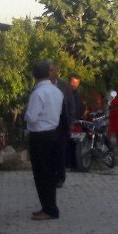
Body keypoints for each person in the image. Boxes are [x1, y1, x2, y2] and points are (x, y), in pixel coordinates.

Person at [25, 60, 64, 220]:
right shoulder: (57, 91)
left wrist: (25, 114)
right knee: (49, 173)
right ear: (48, 73)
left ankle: (49, 209)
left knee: (41, 174)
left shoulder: (38, 93)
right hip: (53, 133)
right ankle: (49, 206)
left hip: (40, 136)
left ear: (34, 75)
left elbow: (32, 117)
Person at [50, 62, 75, 188]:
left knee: (61, 150)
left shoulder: (64, 85)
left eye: (53, 70)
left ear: (56, 71)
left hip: (61, 122)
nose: (51, 73)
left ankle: (60, 177)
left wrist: (70, 122)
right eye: (49, 70)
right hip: (48, 123)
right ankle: (50, 175)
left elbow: (71, 103)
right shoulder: (42, 85)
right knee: (50, 151)